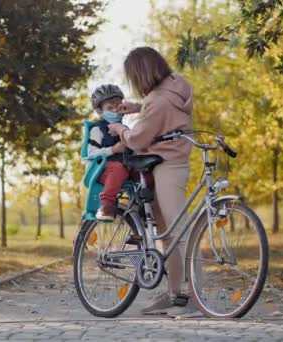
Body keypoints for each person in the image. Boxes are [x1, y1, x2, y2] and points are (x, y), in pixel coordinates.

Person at [108, 46, 194, 314]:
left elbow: (138, 138)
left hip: (166, 166)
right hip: (172, 162)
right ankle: (174, 294)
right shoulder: (177, 85)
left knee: (178, 233)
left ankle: (193, 298)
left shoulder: (157, 101)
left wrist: (120, 128)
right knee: (167, 235)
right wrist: (138, 106)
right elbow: (160, 107)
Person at [87, 84, 130, 221]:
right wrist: (113, 150)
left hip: (125, 167)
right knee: (118, 169)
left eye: (118, 107)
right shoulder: (97, 129)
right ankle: (105, 206)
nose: (115, 111)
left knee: (145, 171)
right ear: (100, 111)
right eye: (110, 108)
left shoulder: (125, 129)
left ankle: (143, 205)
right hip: (101, 169)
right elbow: (91, 152)